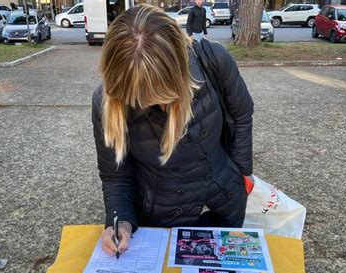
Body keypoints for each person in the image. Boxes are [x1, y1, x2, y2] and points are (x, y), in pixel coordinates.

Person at [92, 4, 254, 256]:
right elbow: (115, 175)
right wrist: (120, 220)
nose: (155, 105)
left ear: (179, 67)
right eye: (140, 97)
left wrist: (244, 173)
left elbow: (242, 115)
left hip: (224, 204)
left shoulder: (214, 61)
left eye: (160, 92)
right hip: (159, 219)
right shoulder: (106, 102)